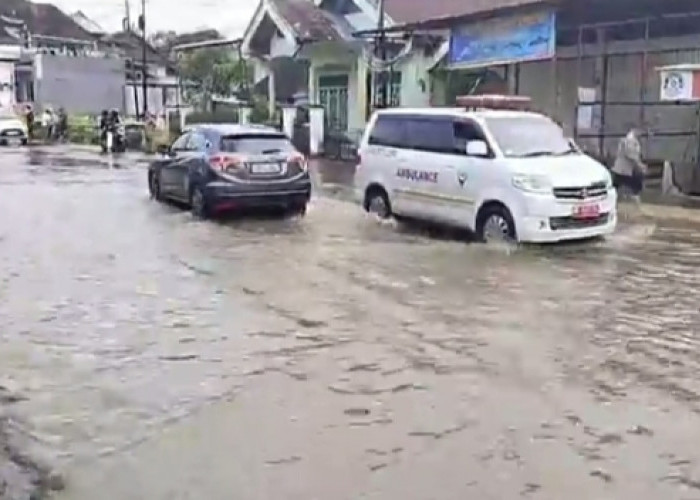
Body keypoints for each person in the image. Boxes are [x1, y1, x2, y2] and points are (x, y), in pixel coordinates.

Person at [612, 127, 647, 204]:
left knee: (616, 185)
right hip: (623, 168)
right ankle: (635, 198)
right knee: (636, 182)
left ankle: (620, 198)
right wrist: (640, 165)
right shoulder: (630, 140)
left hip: (623, 168)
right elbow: (630, 154)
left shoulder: (632, 140)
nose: (641, 134)